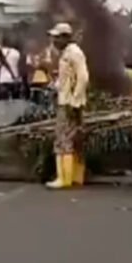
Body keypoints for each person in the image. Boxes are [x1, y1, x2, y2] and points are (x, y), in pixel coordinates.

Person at [45, 23, 89, 189]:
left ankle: (64, 178)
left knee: (63, 140)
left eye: (57, 37)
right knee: (74, 138)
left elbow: (83, 78)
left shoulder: (73, 53)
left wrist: (74, 101)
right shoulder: (67, 53)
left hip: (68, 103)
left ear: (65, 37)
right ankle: (75, 176)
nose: (54, 40)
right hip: (68, 100)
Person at [0, 34, 21, 100]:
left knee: (3, 102)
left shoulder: (0, 52)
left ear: (2, 42)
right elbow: (19, 66)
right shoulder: (16, 53)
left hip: (3, 80)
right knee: (15, 101)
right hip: (15, 79)